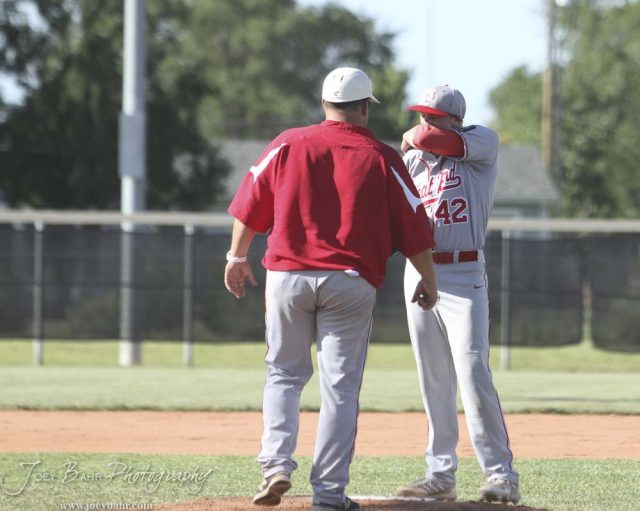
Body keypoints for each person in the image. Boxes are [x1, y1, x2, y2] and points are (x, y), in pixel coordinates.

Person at [224, 67, 439, 511]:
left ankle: (276, 466)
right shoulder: (382, 157)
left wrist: (236, 256)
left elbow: (249, 201)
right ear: (364, 109)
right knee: (339, 388)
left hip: (288, 276)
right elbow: (414, 226)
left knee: (283, 374)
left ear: (324, 103)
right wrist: (428, 279)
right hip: (349, 281)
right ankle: (327, 494)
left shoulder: (288, 143)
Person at [395, 85, 520, 504]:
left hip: (464, 273)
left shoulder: (481, 142)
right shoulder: (414, 161)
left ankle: (502, 475)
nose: (425, 122)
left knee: (471, 372)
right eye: (422, 114)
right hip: (420, 271)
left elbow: (430, 138)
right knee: (433, 377)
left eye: (434, 116)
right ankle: (440, 474)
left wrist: (415, 135)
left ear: (455, 119)